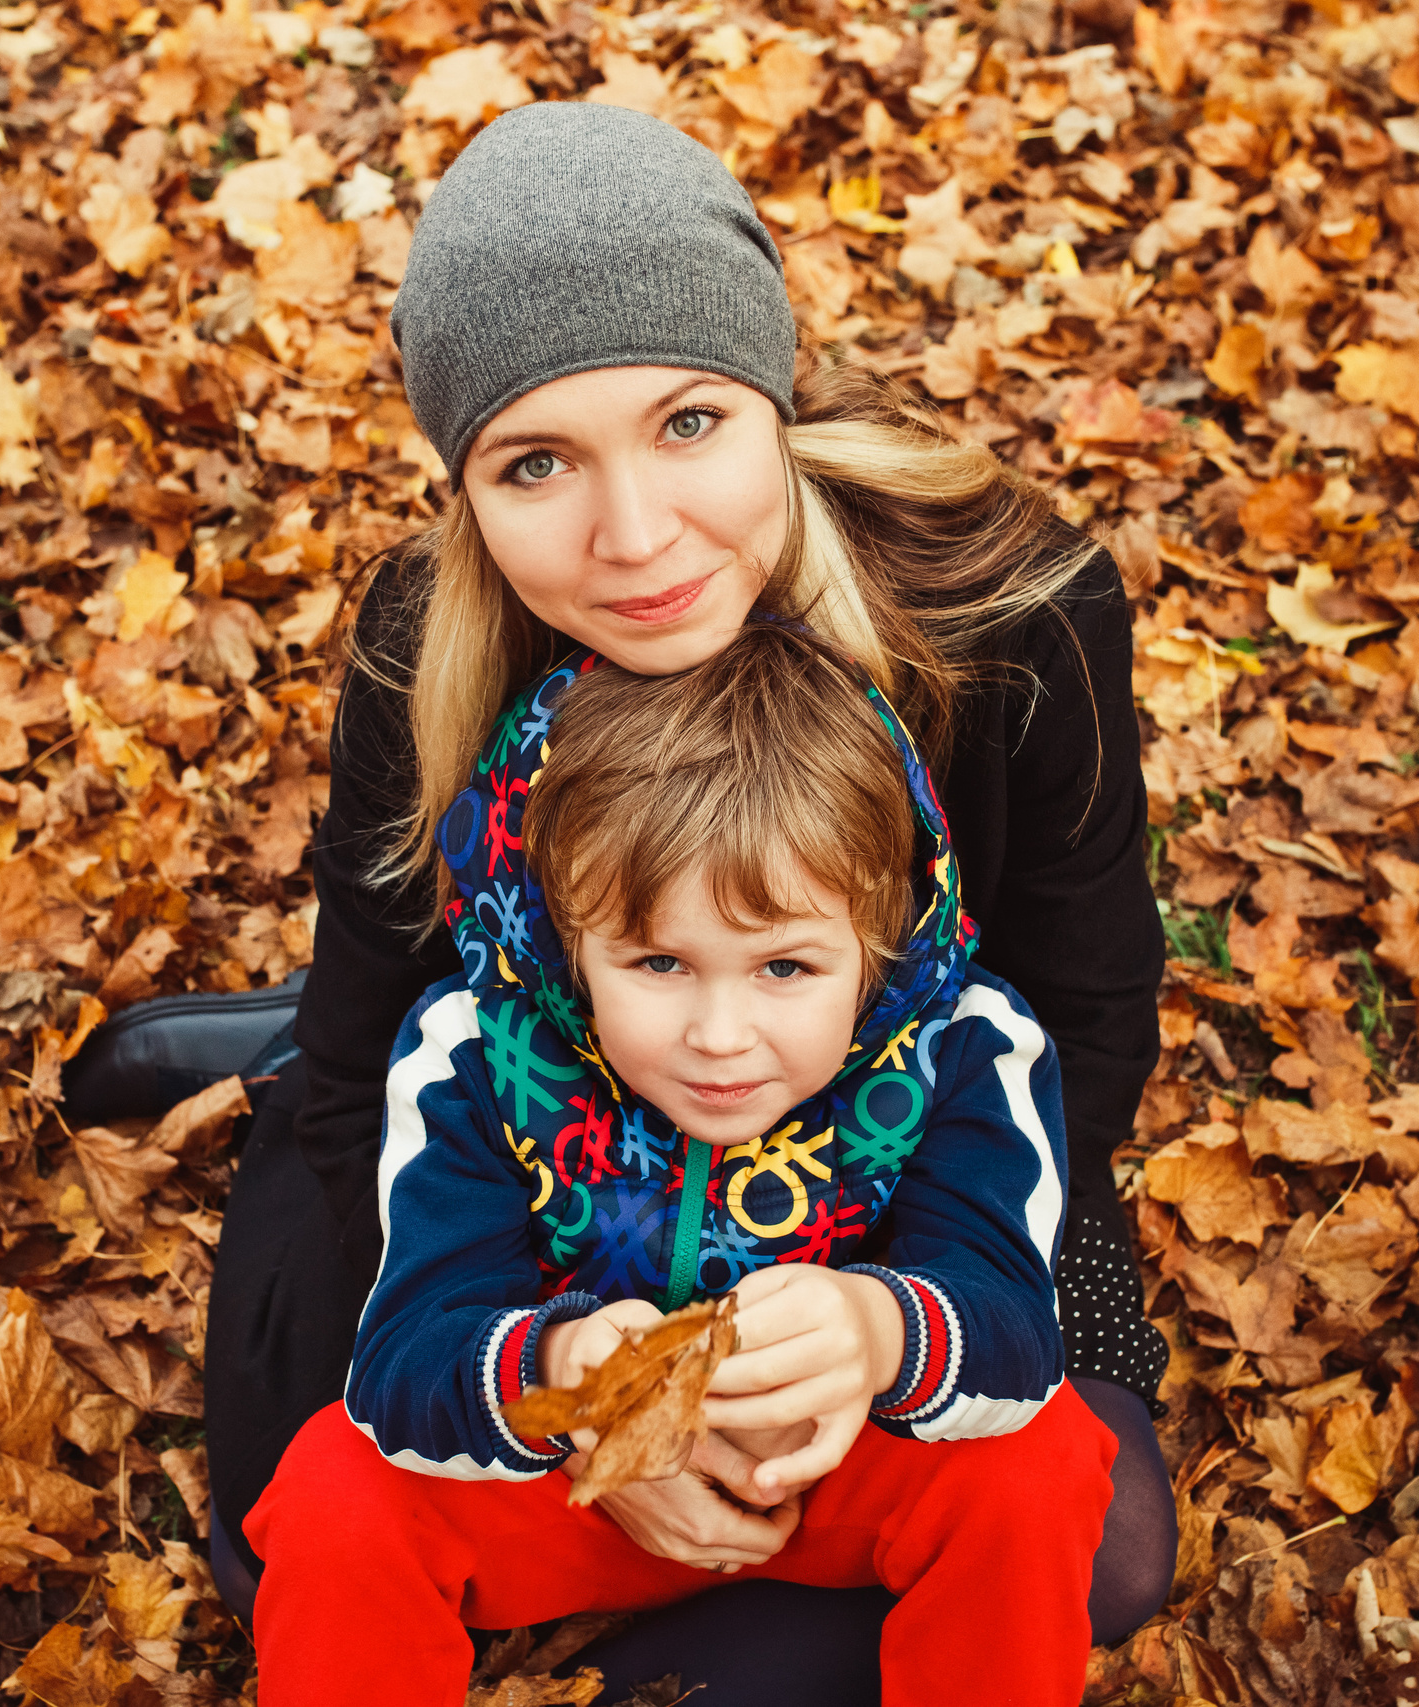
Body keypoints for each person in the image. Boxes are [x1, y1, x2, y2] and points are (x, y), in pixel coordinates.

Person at [201, 100, 1175, 1692]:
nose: (637, 534)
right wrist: (610, 1409)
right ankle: (279, 1039)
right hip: (539, 1112)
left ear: (772, 395)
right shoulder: (423, 642)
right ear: (464, 489)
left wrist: (877, 1324)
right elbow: (374, 1033)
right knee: (280, 1513)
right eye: (536, 461)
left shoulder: (1017, 608)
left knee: (1106, 1545)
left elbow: (1082, 1021)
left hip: (891, 1112)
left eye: (691, 424)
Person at [246, 625, 1116, 1705]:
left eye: (785, 966)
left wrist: (876, 1331)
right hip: (574, 1494)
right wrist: (556, 1371)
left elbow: (1016, 1327)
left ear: (882, 935)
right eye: (657, 961)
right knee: (334, 1489)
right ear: (566, 940)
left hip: (827, 1471)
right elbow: (402, 1363)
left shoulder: (964, 1048)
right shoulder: (479, 1057)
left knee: (1037, 1468)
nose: (719, 1033)